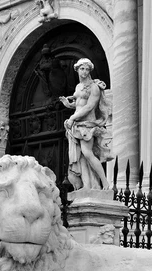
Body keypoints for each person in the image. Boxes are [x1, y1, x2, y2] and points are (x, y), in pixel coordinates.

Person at [59, 58, 112, 190]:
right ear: (77, 69)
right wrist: (69, 105)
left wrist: (72, 118)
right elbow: (79, 104)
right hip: (77, 124)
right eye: (82, 68)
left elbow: (89, 107)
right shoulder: (78, 87)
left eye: (87, 69)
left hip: (87, 124)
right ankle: (87, 185)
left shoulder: (94, 87)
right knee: (81, 157)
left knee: (87, 152)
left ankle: (105, 182)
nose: (85, 71)